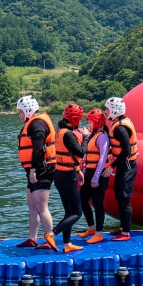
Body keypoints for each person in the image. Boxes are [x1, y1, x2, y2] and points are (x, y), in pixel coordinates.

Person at [15, 95, 58, 250]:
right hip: (35, 168)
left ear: (28, 110)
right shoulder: (33, 123)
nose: (20, 115)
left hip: (42, 168)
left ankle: (49, 238)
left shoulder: (37, 123)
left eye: (20, 112)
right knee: (32, 204)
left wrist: (33, 169)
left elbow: (39, 149)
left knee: (41, 205)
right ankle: (32, 238)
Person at [52, 104, 86, 253]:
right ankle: (52, 234)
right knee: (77, 212)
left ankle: (67, 244)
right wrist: (86, 137)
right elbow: (80, 152)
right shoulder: (68, 134)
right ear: (75, 120)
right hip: (67, 176)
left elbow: (68, 154)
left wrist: (78, 169)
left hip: (60, 175)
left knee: (68, 211)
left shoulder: (59, 131)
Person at [104, 96, 137, 242]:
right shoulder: (118, 124)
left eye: (107, 109)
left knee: (124, 198)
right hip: (123, 165)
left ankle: (126, 232)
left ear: (115, 110)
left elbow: (126, 151)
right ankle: (123, 228)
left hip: (127, 166)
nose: (106, 112)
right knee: (119, 195)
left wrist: (112, 165)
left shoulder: (121, 128)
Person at [77, 109, 110, 244]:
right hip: (89, 172)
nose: (88, 125)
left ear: (97, 123)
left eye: (90, 122)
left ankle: (99, 233)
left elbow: (102, 158)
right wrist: (84, 174)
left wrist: (96, 177)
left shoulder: (102, 136)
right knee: (82, 200)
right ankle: (91, 228)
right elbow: (87, 158)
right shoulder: (92, 136)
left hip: (98, 174)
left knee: (97, 203)